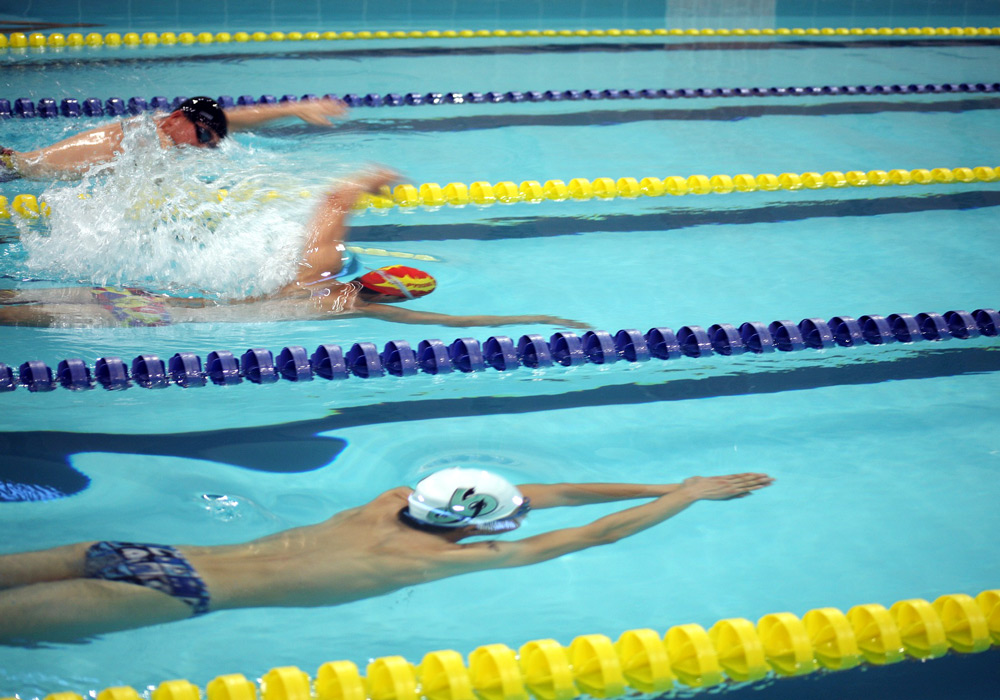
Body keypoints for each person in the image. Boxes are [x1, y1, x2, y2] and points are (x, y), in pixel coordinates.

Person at [0, 468, 775, 642]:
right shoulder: (442, 562)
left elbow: (547, 491)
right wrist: (685, 492)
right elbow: (586, 527)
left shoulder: (383, 502)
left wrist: (666, 480)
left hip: (147, 551)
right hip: (174, 594)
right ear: (480, 527)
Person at [0, 168, 587, 329]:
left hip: (154, 296)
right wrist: (536, 317)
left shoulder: (319, 274)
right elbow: (458, 322)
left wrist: (360, 185)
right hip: (160, 317)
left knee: (39, 297)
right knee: (26, 317)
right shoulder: (348, 306)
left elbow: (330, 208)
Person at [0, 95, 348, 181]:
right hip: (13, 167)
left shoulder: (160, 124)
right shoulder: (153, 137)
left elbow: (231, 120)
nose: (200, 145)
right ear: (177, 118)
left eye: (207, 142)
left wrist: (299, 107)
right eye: (199, 134)